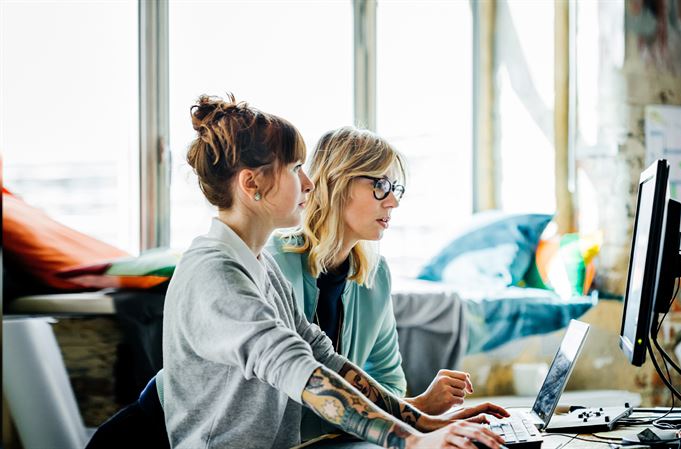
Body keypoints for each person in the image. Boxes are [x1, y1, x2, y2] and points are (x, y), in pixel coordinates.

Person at [161, 95, 508, 449]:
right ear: (252, 185)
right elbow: (298, 370)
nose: (310, 184)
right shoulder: (216, 273)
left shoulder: (260, 266)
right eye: (296, 169)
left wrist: (424, 422)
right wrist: (414, 442)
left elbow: (323, 358)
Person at [267, 126, 494, 439]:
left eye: (395, 189)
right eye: (381, 185)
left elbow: (388, 383)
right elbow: (281, 400)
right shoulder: (274, 262)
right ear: (338, 182)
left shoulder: (375, 275)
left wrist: (417, 411)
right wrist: (418, 410)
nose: (393, 202)